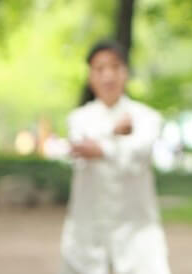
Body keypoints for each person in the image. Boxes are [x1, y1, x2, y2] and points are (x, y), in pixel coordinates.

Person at [60, 40, 170, 274]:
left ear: (125, 73)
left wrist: (102, 147)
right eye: (99, 69)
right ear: (90, 76)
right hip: (87, 235)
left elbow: (139, 152)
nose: (108, 76)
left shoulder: (147, 118)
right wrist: (113, 132)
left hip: (138, 233)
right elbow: (78, 148)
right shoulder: (78, 118)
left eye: (115, 67)